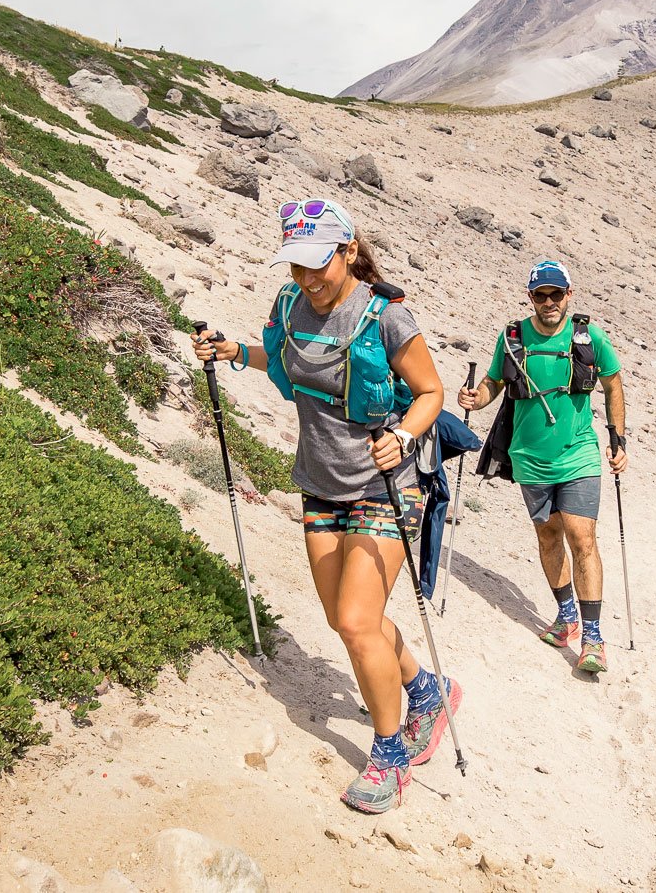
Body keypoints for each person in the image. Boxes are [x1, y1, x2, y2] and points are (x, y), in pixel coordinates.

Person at [190, 197, 459, 814]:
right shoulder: (289, 307)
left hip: (386, 485)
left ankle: (389, 756)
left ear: (348, 252)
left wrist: (404, 436)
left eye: (319, 264)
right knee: (346, 621)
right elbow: (284, 361)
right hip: (318, 483)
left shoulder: (387, 317)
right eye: (297, 266)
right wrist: (236, 352)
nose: (308, 279)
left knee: (360, 622)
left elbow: (430, 392)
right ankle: (426, 691)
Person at [456, 260, 626, 674]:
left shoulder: (589, 337)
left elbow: (613, 382)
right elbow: (495, 382)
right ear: (530, 297)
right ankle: (565, 615)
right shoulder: (513, 337)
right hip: (529, 458)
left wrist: (617, 437)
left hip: (579, 453)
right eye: (540, 295)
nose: (548, 302)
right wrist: (475, 399)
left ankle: (593, 638)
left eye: (556, 294)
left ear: (569, 295)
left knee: (581, 535)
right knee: (549, 536)